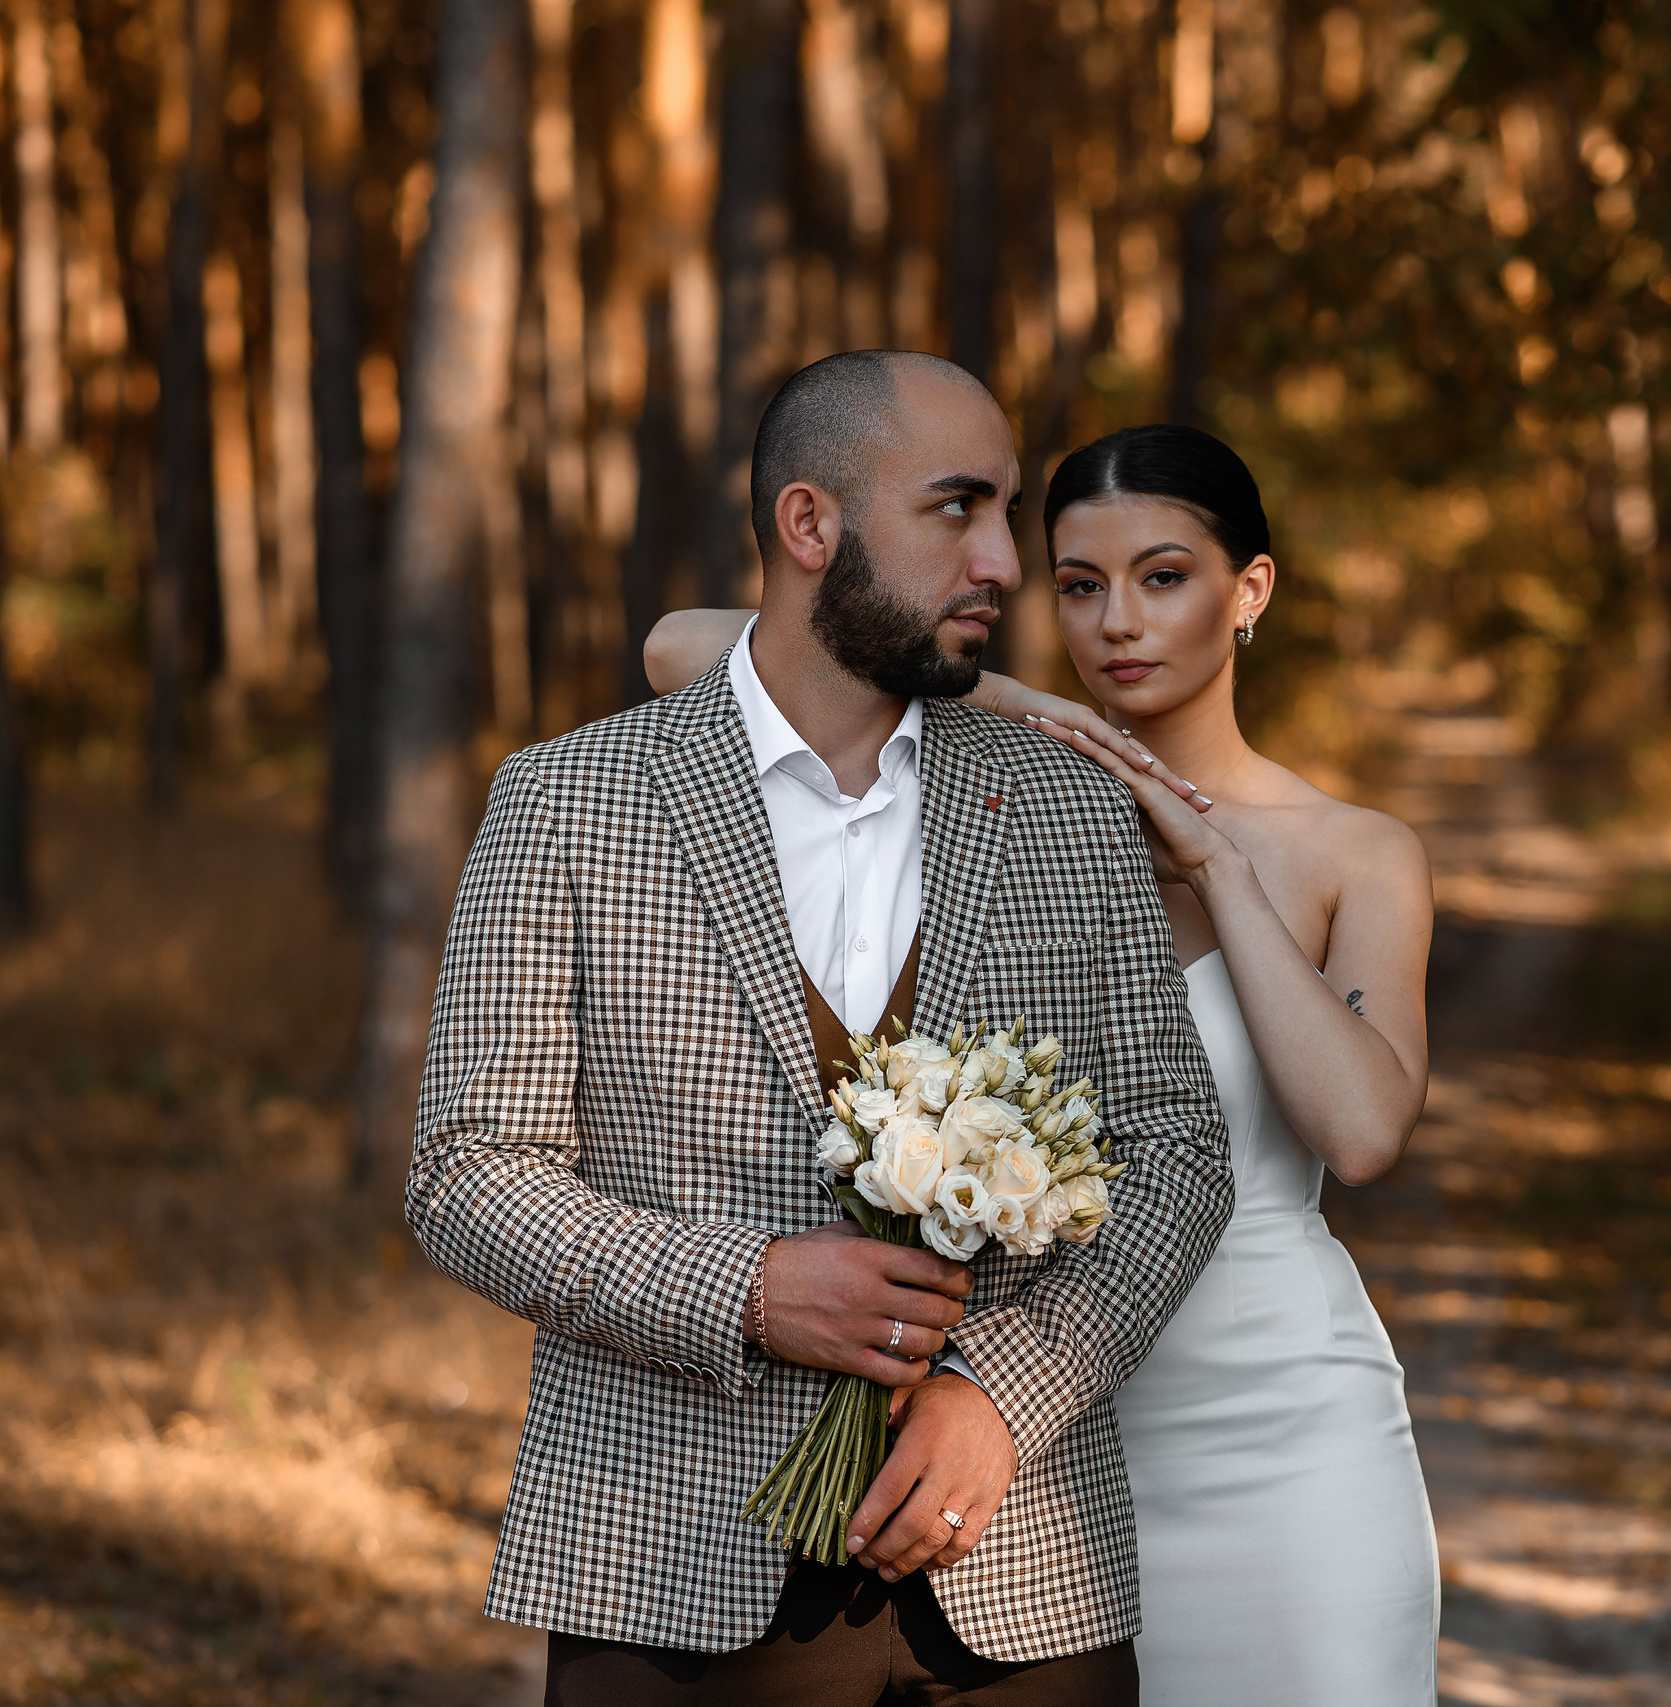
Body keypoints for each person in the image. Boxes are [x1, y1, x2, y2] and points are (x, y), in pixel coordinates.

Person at [407, 352, 1233, 1706]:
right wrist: (744, 1287)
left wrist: (1000, 1396)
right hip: (666, 1569)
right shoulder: (570, 802)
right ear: (810, 526)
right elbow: (465, 1170)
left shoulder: (1068, 812)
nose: (1004, 563)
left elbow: (1178, 1152)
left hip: (1018, 1593)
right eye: (956, 509)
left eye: (1006, 512)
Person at [645, 421, 1441, 1705]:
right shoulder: (994, 797)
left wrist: (1217, 867)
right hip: (1028, 1433)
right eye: (1080, 585)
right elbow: (676, 646)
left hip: (1279, 1430)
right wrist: (1032, 715)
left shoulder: (1354, 852)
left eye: (1165, 577)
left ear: (1253, 592)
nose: (1118, 622)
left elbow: (1359, 1130)